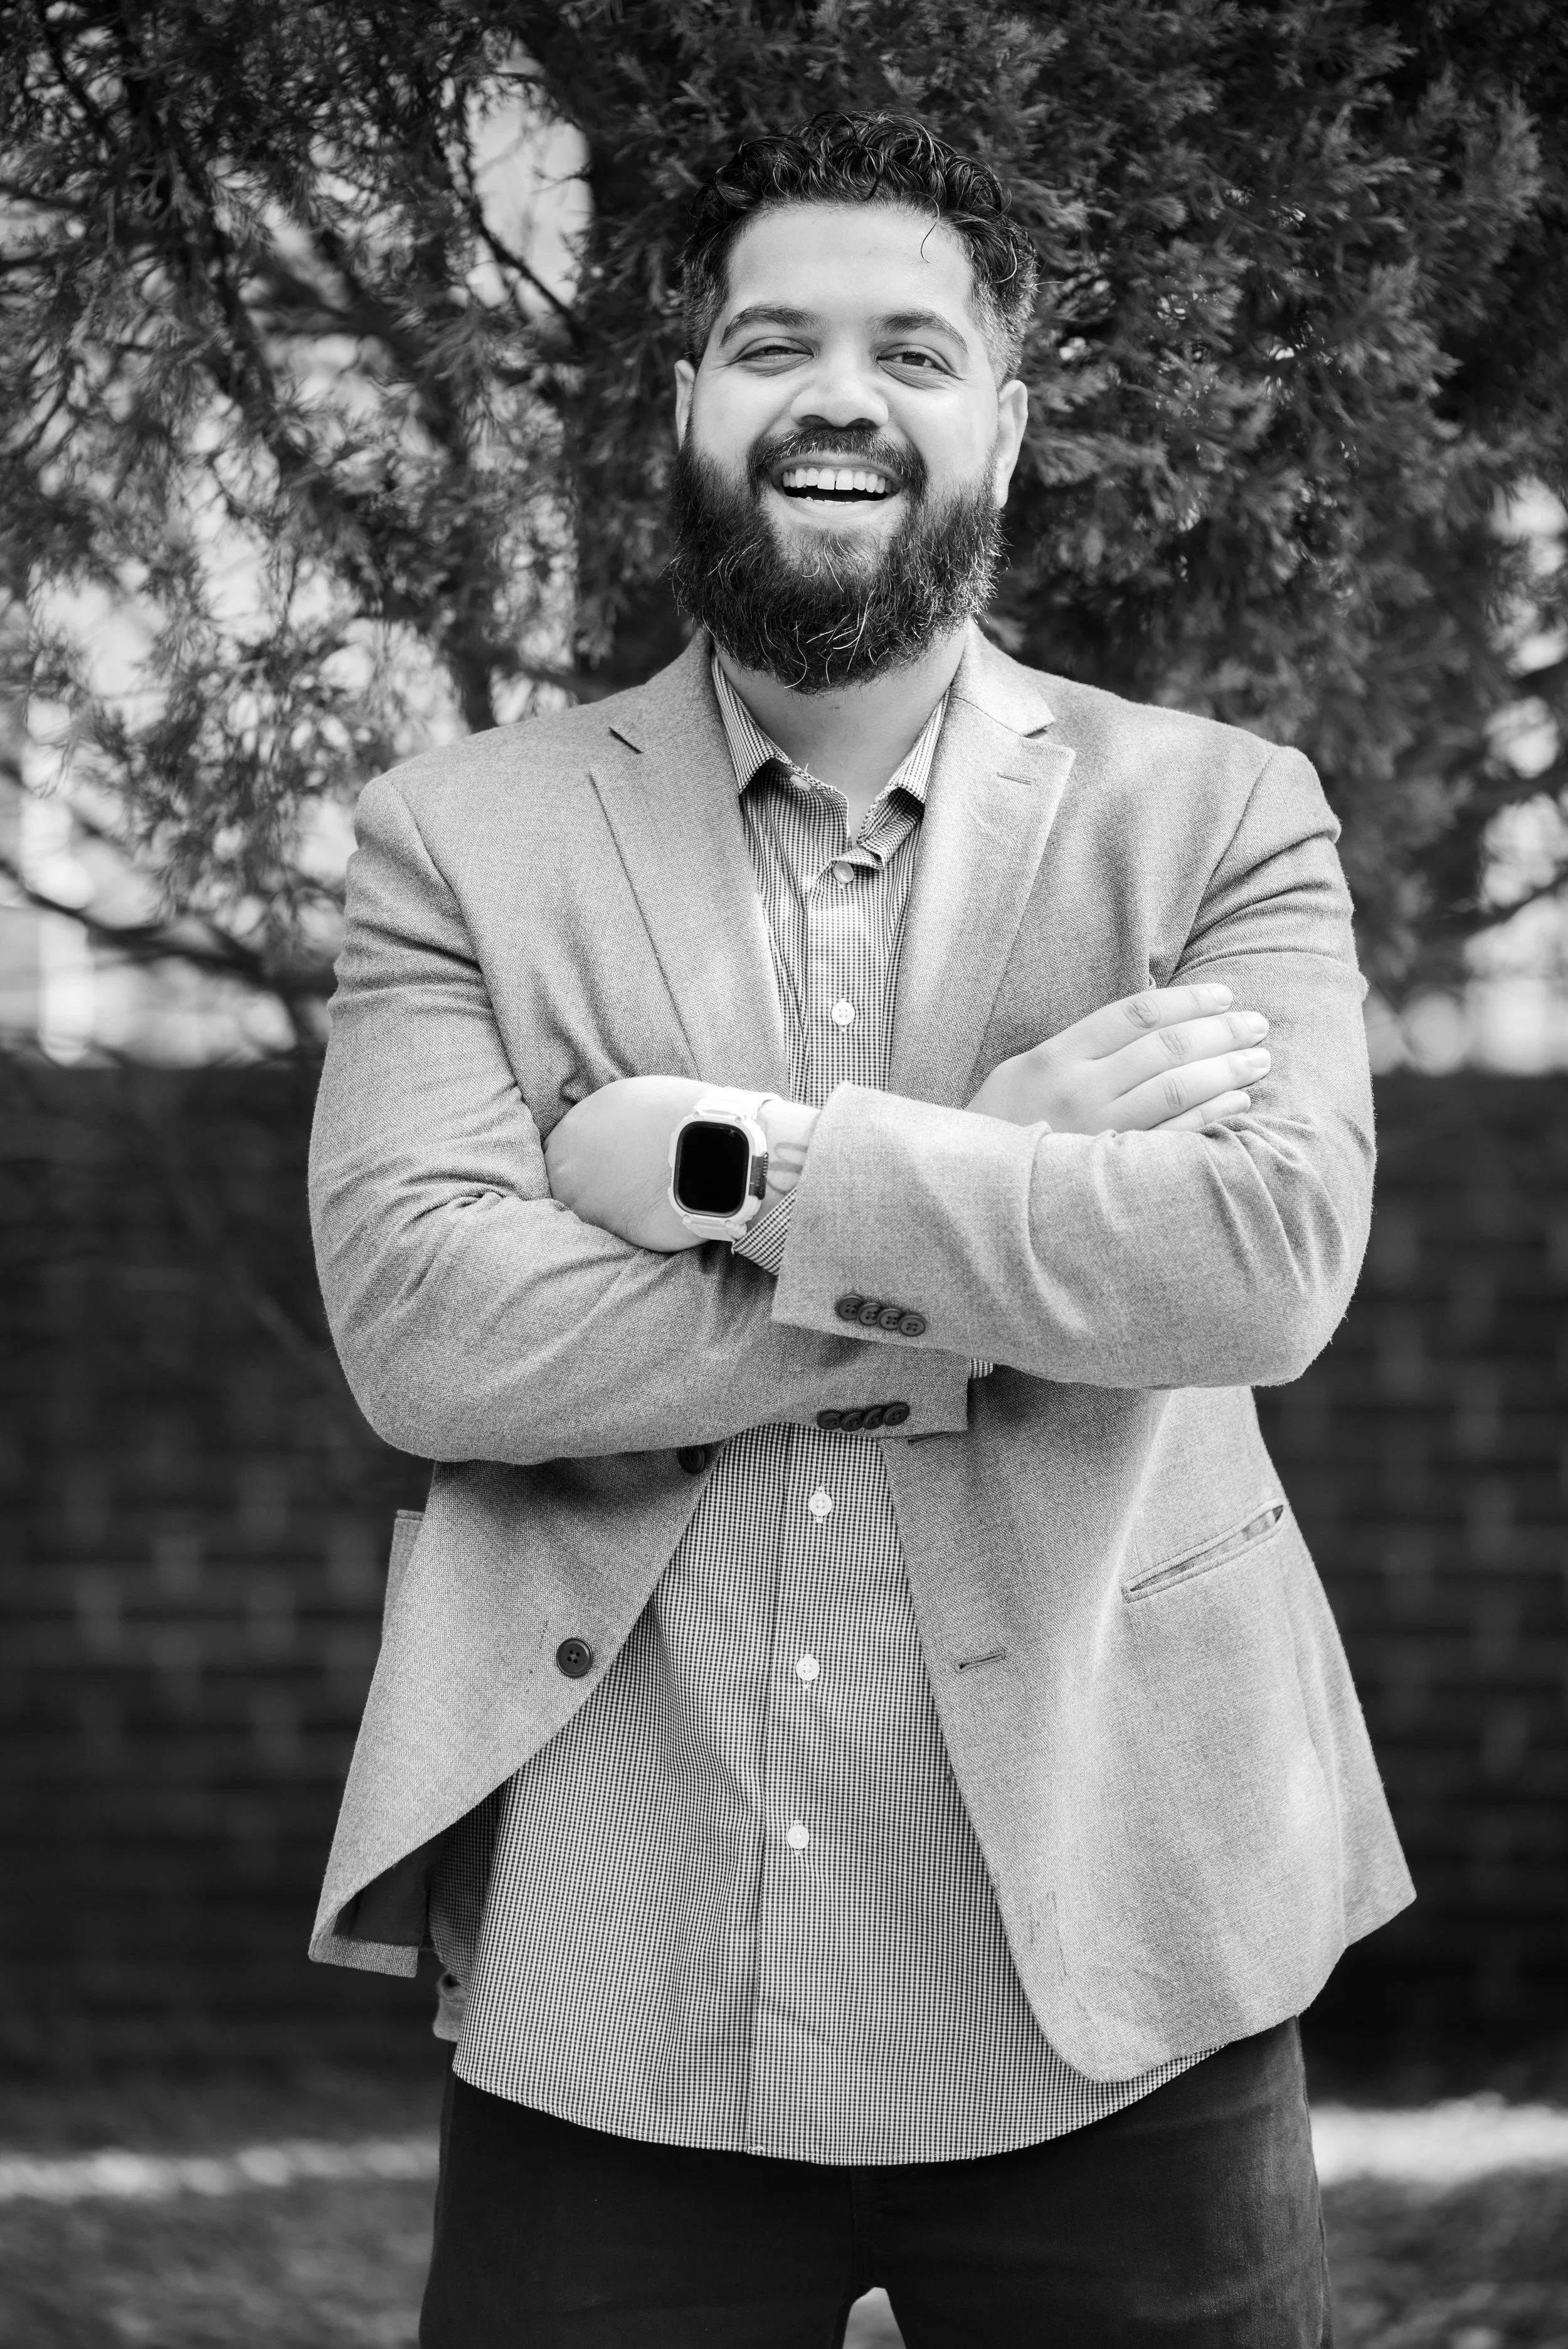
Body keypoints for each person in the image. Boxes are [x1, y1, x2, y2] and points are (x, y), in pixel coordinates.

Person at [308, 112, 1412, 2348]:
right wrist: (991, 1168)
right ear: (690, 407)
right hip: (606, 1996)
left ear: (1000, 423)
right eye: (770, 341)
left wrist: (759, 1179)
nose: (839, 394)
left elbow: (1259, 1263)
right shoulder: (462, 843)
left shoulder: (1211, 817)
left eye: (912, 348)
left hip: (1120, 1974)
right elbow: (430, 1325)